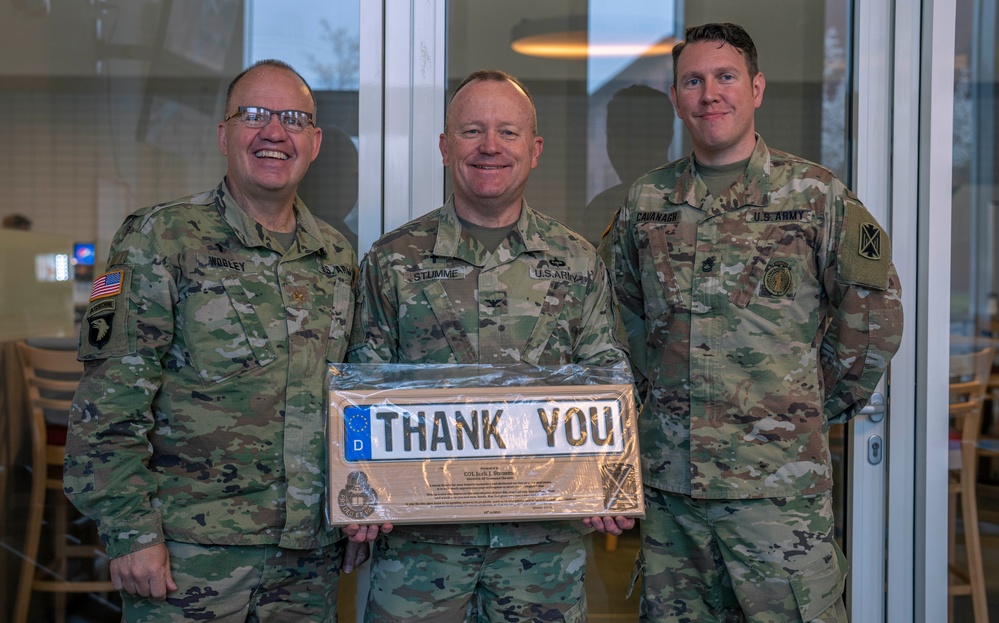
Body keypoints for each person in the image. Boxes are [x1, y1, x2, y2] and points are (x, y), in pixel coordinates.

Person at [598, 23, 904, 623]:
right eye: (693, 80)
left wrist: (806, 404)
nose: (710, 93)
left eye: (725, 76)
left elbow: (873, 318)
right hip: (673, 498)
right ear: (677, 98)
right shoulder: (647, 203)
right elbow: (618, 323)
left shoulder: (817, 196)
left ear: (756, 88)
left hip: (778, 496)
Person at [64, 59, 362, 622]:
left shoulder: (335, 257)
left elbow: (351, 400)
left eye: (293, 119)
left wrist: (356, 507)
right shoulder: (159, 237)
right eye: (254, 115)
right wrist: (130, 531)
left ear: (314, 142)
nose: (274, 132)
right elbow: (108, 402)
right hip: (187, 557)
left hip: (307, 561)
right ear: (223, 134)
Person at [346, 69, 634, 622]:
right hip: (420, 553)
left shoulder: (576, 263)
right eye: (472, 130)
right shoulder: (392, 261)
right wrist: (358, 487)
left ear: (534, 149)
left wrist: (610, 484)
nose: (490, 147)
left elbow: (608, 382)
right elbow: (363, 392)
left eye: (508, 132)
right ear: (444, 146)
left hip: (542, 556)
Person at [579, 84, 674, 245]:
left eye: (630, 136)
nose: (614, 146)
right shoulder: (602, 208)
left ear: (665, 137)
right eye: (612, 135)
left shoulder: (693, 201)